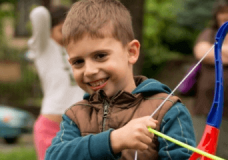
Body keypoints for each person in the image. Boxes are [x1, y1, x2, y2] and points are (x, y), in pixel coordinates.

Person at [45, 0, 196, 159]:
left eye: (100, 56)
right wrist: (113, 140)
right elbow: (53, 156)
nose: (89, 71)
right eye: (78, 62)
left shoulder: (168, 110)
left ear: (131, 52)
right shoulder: (76, 116)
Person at [27, 5, 84, 160]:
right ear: (50, 28)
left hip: (80, 128)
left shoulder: (79, 51)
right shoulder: (43, 47)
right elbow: (39, 14)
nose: (67, 33)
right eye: (62, 28)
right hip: (50, 127)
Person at [193, 0, 228, 119]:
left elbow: (211, 53)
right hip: (207, 104)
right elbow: (202, 53)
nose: (226, 16)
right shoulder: (209, 33)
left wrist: (217, 51)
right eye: (222, 12)